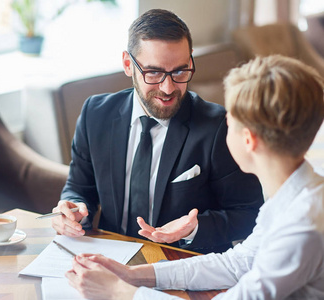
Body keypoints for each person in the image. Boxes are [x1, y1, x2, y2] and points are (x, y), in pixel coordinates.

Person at [65, 54, 324, 299]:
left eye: (230, 123)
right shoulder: (296, 195)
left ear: (249, 140)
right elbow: (239, 262)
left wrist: (118, 293)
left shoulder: (302, 228)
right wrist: (134, 275)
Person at [51, 9, 263, 254]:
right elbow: (79, 187)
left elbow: (249, 214)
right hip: (110, 257)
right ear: (128, 64)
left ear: (191, 61)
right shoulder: (95, 114)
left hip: (185, 264)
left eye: (180, 71)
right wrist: (73, 210)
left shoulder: (219, 127)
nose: (168, 87)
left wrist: (195, 228)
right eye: (153, 72)